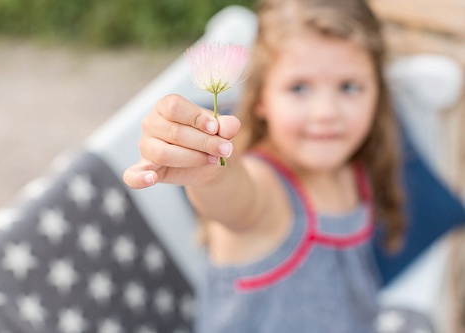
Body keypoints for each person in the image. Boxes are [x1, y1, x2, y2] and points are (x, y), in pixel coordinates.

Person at [123, 0, 407, 331]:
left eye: (349, 87)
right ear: (261, 99)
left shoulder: (352, 170)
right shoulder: (267, 189)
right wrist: (209, 171)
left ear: (378, 93)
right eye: (299, 88)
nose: (327, 112)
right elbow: (237, 197)